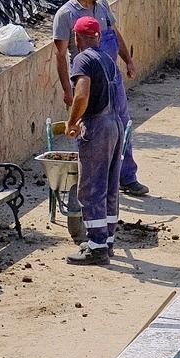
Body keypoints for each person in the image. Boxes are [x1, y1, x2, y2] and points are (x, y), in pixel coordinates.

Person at [52, 0, 148, 197]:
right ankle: (91, 180)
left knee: (121, 125)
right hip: (86, 81)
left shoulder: (102, 6)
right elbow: (60, 55)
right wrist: (68, 90)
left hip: (112, 78)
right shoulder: (66, 15)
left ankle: (126, 177)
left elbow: (115, 34)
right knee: (87, 129)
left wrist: (129, 61)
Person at [60, 16, 122, 265]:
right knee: (109, 185)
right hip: (114, 123)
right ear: (97, 37)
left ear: (76, 38)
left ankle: (96, 247)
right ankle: (106, 241)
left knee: (92, 187)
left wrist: (72, 122)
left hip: (96, 125)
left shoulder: (83, 59)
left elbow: (82, 94)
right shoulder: (107, 58)